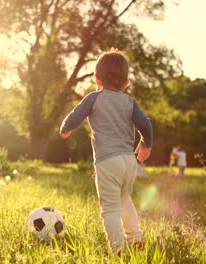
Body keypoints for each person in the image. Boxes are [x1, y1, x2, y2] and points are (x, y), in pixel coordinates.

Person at [59, 49, 153, 254]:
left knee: (110, 208)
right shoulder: (130, 102)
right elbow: (145, 124)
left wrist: (65, 129)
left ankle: (119, 250)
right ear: (126, 82)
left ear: (96, 78)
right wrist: (146, 143)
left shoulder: (94, 98)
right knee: (124, 199)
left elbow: (75, 116)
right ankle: (136, 239)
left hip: (107, 162)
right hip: (129, 162)